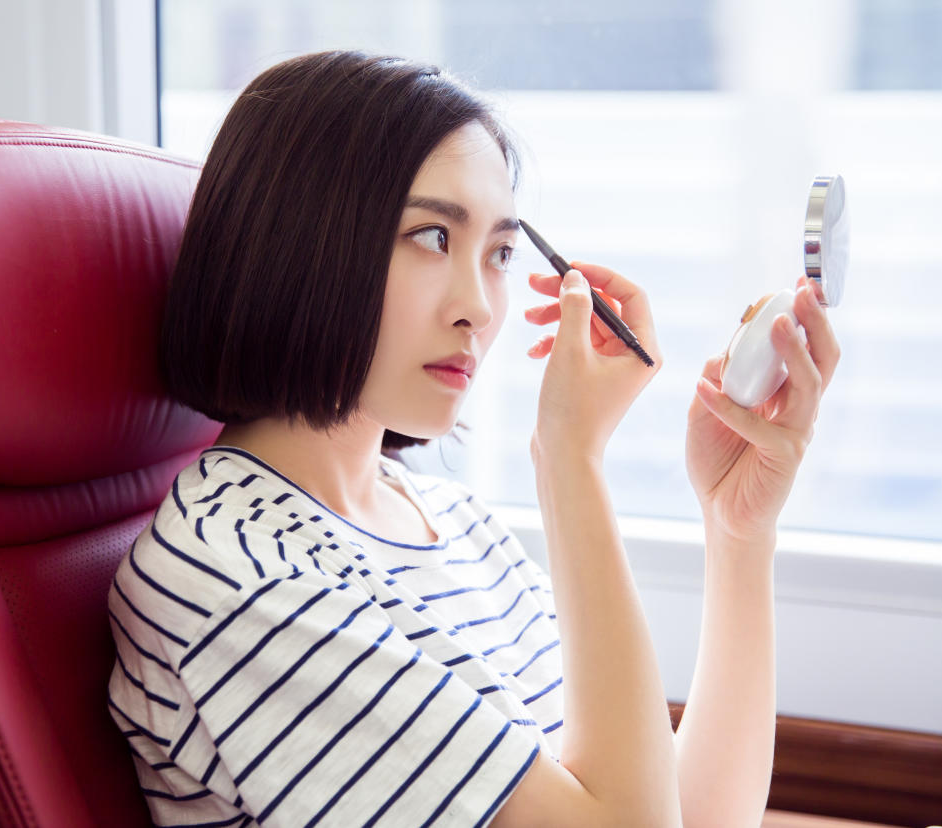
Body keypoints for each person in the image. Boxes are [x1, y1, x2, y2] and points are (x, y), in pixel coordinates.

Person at [107, 50, 839, 828]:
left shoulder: (457, 530)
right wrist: (569, 462)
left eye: (498, 254)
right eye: (431, 238)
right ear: (302, 243)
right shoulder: (236, 575)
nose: (480, 308)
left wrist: (737, 531)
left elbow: (687, 816)